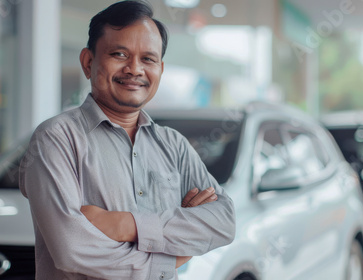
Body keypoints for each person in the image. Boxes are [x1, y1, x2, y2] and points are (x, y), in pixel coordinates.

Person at [19, 1, 236, 279]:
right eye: (119, 54)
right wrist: (179, 246)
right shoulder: (57, 138)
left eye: (148, 59)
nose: (135, 69)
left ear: (160, 68)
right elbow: (72, 249)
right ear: (88, 62)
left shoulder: (174, 145)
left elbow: (225, 222)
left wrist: (127, 224)